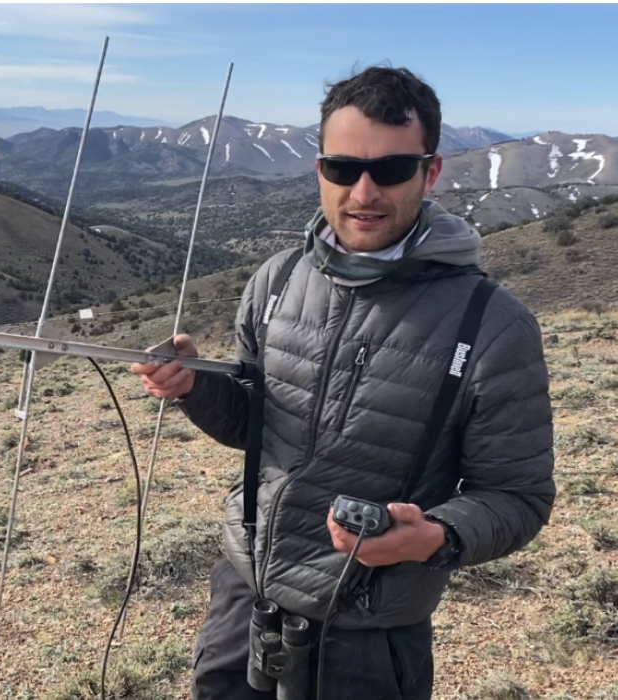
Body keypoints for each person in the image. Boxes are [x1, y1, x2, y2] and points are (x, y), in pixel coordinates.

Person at [131, 66, 555, 699]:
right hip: (247, 601)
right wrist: (194, 386)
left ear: (429, 172)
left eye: (390, 170)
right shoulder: (275, 282)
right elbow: (257, 429)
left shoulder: (492, 323)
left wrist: (435, 537)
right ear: (319, 168)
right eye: (342, 168)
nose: (363, 192)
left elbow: (518, 496)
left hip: (370, 636)